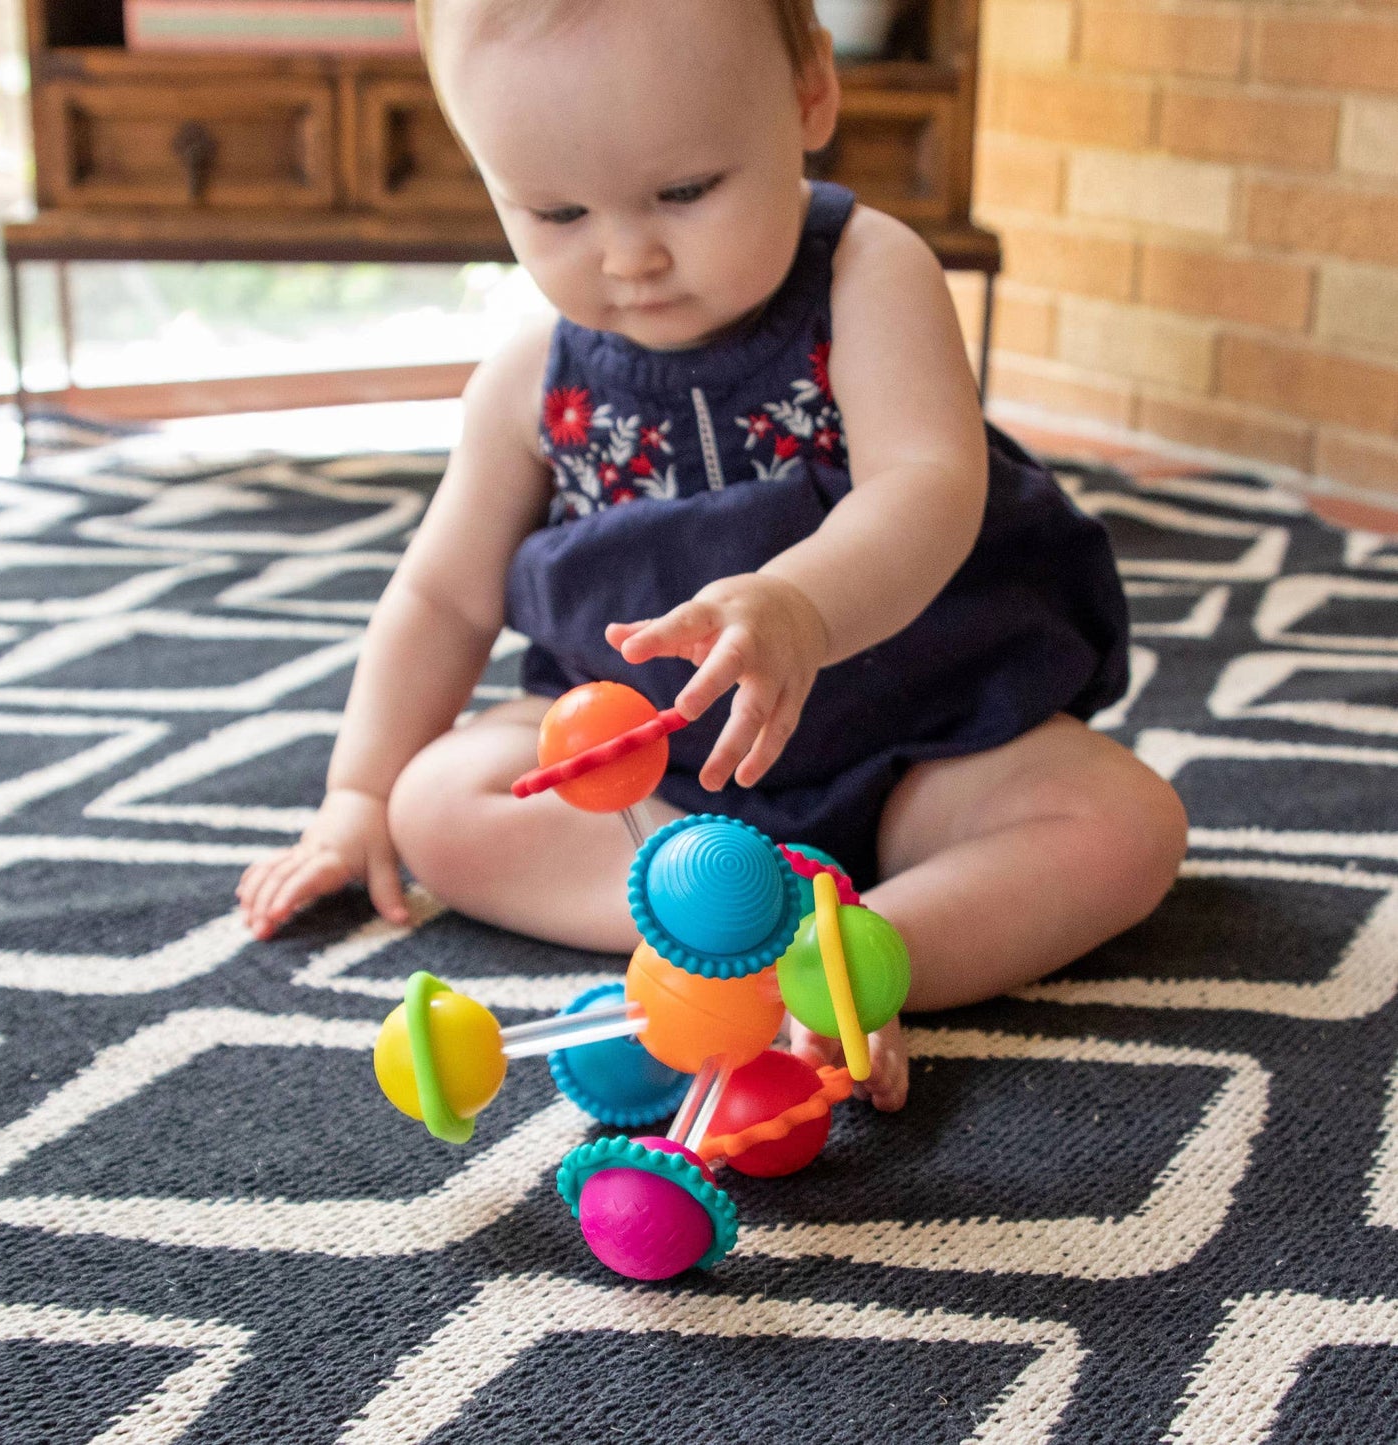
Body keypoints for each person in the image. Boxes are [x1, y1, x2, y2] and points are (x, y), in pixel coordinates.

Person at [238, 0, 1188, 1112]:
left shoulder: (867, 277)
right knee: (436, 801)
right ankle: (719, 921)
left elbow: (926, 485)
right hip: (658, 795)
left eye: (684, 192)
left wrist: (801, 600)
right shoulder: (525, 385)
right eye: (553, 210)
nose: (628, 254)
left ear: (807, 95)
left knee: (1123, 825)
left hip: (917, 741)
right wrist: (354, 793)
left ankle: (865, 959)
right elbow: (442, 598)